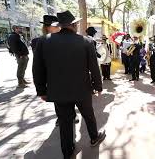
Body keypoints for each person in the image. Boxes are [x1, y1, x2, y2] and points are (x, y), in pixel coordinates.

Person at [33, 10, 106, 158]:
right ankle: (94, 137)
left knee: (65, 123)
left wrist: (41, 90)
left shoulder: (44, 41)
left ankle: (67, 151)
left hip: (59, 91)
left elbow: (37, 69)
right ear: (73, 24)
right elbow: (94, 67)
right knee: (88, 115)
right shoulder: (86, 41)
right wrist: (98, 86)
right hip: (82, 90)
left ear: (61, 25)